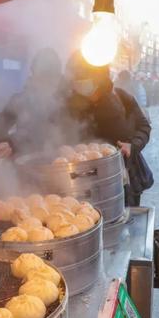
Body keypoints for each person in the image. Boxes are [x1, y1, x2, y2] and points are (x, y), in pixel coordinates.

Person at [64, 51, 153, 206]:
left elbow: (144, 126)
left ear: (99, 78)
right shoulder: (69, 105)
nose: (79, 84)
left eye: (84, 79)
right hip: (82, 186)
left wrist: (133, 145)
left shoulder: (121, 98)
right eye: (76, 80)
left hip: (124, 178)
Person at [0, 48, 63, 158]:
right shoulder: (20, 100)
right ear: (34, 75)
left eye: (52, 77)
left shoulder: (65, 101)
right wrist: (5, 143)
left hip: (60, 165)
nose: (47, 82)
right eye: (43, 77)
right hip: (24, 163)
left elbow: (74, 131)